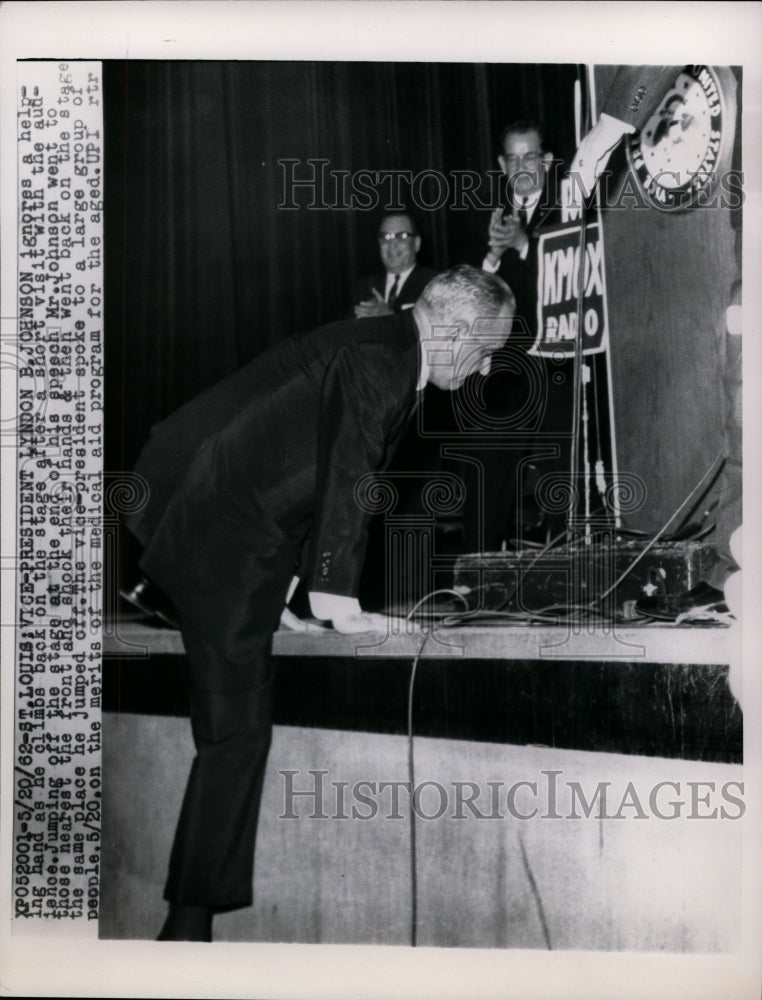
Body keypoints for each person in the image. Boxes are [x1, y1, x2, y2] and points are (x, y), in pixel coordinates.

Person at [124, 265, 516, 941]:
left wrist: (284, 594)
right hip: (217, 525)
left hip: (201, 497)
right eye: (484, 352)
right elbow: (346, 475)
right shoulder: (385, 361)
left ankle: (187, 925)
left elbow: (294, 462)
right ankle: (184, 933)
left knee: (233, 720)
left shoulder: (378, 342)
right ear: (451, 330)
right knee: (236, 729)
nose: (483, 372)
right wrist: (337, 598)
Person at [458, 121, 573, 553]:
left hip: (558, 360)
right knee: (485, 455)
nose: (522, 166)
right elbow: (465, 290)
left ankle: (562, 559)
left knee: (563, 462)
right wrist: (490, 258)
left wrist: (526, 246)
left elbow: (567, 287)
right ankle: (480, 569)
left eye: (531, 157)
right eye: (513, 158)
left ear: (545, 161)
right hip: (507, 365)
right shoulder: (482, 215)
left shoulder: (569, 210)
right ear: (501, 165)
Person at [353, 211, 437, 318]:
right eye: (386, 237)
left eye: (402, 236)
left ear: (416, 243)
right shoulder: (365, 287)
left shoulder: (434, 284)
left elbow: (441, 330)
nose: (392, 244)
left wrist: (390, 317)